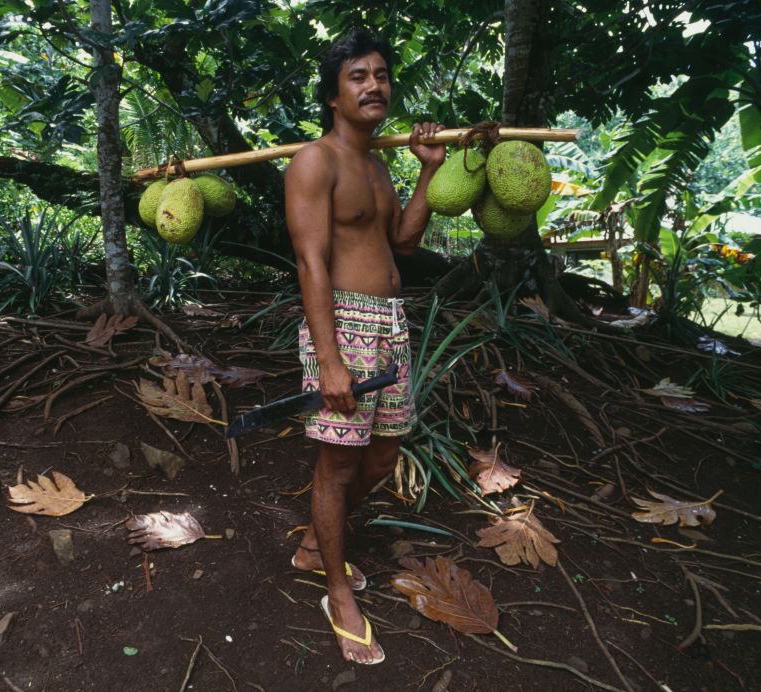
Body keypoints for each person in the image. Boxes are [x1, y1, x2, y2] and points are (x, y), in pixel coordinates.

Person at [285, 29, 445, 665]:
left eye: (380, 74)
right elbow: (311, 261)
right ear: (333, 94)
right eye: (358, 76)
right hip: (341, 328)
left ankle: (313, 543)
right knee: (340, 466)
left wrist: (429, 173)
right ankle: (334, 587)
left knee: (380, 461)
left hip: (390, 325)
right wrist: (329, 360)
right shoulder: (314, 162)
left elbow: (402, 242)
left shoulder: (378, 162)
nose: (374, 84)